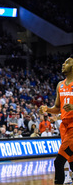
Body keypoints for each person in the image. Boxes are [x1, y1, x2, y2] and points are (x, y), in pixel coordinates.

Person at [40, 55, 73, 185]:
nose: (63, 65)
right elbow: (58, 108)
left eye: (67, 62)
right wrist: (47, 109)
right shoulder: (60, 85)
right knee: (71, 162)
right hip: (64, 127)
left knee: (58, 161)